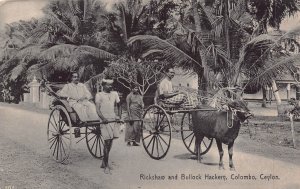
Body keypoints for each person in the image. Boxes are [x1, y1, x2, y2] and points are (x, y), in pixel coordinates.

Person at [95, 79, 122, 174]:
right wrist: (103, 118)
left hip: (113, 119)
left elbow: (119, 105)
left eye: (111, 85)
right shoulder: (99, 95)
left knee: (110, 141)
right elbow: (97, 110)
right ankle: (106, 165)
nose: (111, 86)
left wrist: (119, 116)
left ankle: (103, 162)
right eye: (108, 85)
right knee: (107, 141)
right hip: (104, 120)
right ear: (103, 85)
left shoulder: (114, 94)